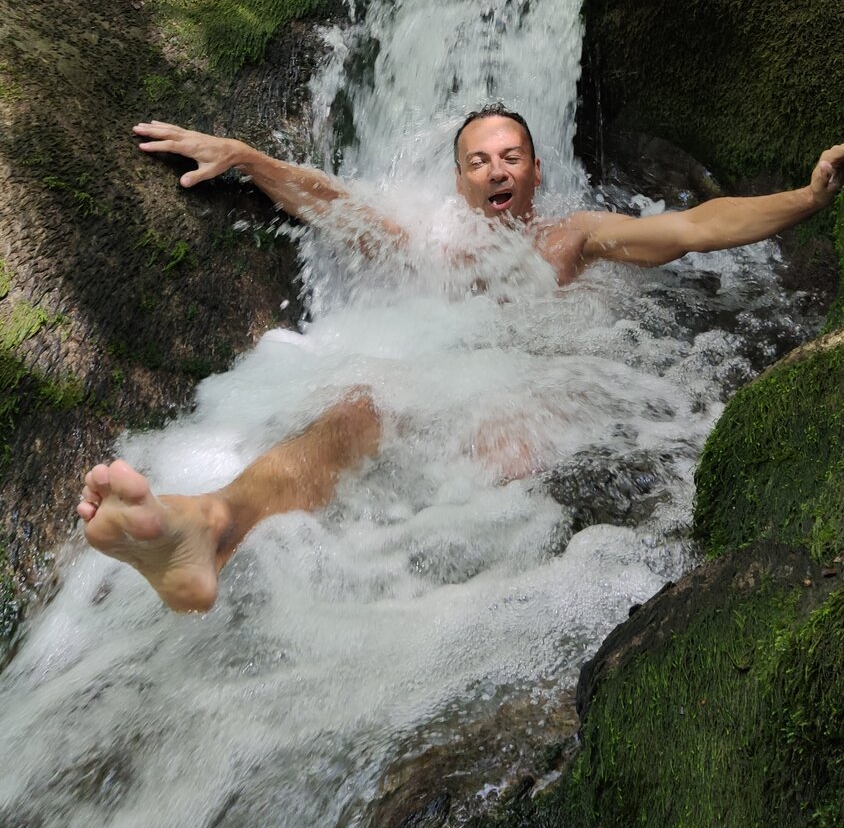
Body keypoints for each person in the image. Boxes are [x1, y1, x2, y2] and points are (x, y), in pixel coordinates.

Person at [77, 108, 844, 613]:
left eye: (512, 156)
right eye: (478, 161)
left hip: (546, 383)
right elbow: (333, 204)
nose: (497, 169)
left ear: (537, 172)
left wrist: (806, 199)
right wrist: (246, 157)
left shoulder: (571, 239)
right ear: (460, 181)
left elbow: (692, 229)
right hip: (444, 376)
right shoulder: (436, 252)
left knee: (505, 452)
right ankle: (210, 522)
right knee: (357, 407)